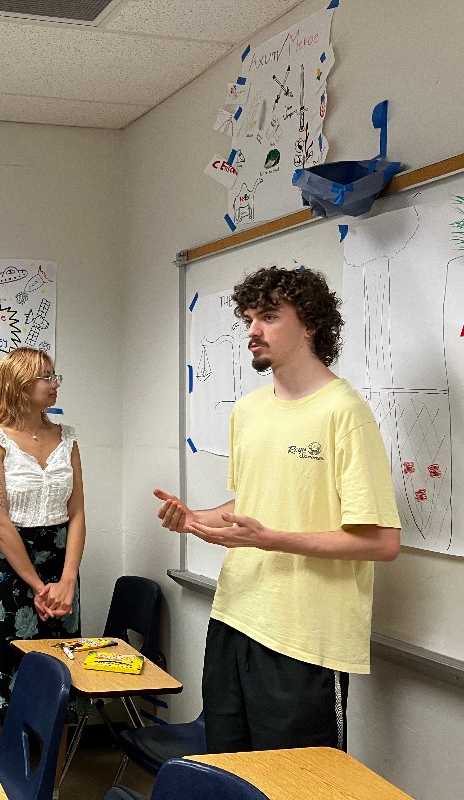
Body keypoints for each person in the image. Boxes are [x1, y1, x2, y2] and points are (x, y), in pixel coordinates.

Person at [154, 266, 401, 753]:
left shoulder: (344, 412)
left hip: (304, 638)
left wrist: (272, 539)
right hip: (234, 618)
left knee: (296, 783)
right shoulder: (248, 411)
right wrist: (197, 518)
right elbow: (251, 503)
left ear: (310, 325)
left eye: (268, 316)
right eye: (249, 318)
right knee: (231, 770)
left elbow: (382, 542)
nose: (252, 330)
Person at [0, 347, 86, 720]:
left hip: (60, 560)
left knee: (61, 672)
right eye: (46, 377)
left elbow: (77, 511)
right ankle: (14, 774)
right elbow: (0, 520)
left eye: (55, 376)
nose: (55, 384)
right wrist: (39, 587)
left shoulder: (66, 437)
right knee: (14, 671)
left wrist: (67, 578)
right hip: (11, 564)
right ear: (20, 385)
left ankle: (52, 778)